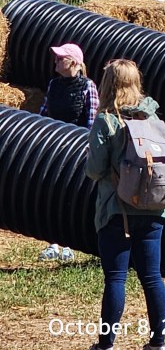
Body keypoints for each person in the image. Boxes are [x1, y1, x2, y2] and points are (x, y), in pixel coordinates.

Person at [75, 59, 165, 350]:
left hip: (118, 212)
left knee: (116, 278)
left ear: (108, 84)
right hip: (155, 209)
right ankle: (158, 346)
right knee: (152, 277)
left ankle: (105, 348)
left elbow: (94, 170)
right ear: (136, 82)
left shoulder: (107, 121)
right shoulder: (153, 117)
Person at [38, 42, 98, 263]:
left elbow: (92, 123)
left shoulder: (88, 86)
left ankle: (68, 246)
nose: (56, 60)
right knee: (51, 194)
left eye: (61, 58)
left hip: (76, 151)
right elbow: (43, 114)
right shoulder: (53, 85)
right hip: (54, 147)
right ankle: (52, 244)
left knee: (70, 197)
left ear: (73, 63)